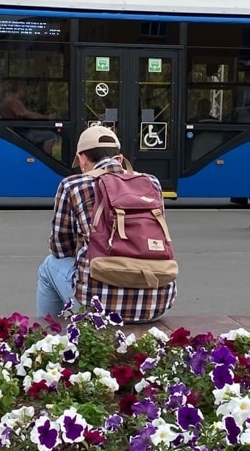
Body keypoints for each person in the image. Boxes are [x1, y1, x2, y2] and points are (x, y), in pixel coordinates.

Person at [37, 126, 176, 323]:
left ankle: (48, 334)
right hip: (156, 305)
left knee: (49, 266)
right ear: (119, 159)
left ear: (82, 159)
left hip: (98, 309)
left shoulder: (72, 185)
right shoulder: (151, 183)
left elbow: (60, 249)